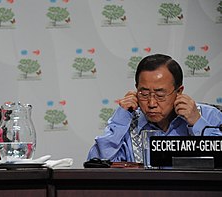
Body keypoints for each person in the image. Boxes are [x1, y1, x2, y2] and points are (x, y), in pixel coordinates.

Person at [87, 54, 222, 162]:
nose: (151, 103)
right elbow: (97, 163)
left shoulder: (208, 115)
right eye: (144, 94)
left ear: (179, 91)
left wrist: (197, 123)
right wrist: (120, 119)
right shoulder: (127, 124)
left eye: (160, 94)